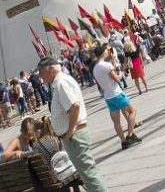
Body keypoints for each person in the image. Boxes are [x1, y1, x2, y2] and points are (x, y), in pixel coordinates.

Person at [37, 56, 108, 192]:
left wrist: (70, 131)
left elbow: (74, 106)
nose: (40, 76)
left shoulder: (60, 83)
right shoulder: (60, 82)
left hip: (74, 136)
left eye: (41, 72)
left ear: (50, 69)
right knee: (86, 174)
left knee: (89, 174)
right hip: (74, 135)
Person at [92, 44, 141, 150]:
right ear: (102, 53)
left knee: (116, 122)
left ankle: (123, 142)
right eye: (106, 51)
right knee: (133, 111)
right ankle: (130, 135)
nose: (107, 52)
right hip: (116, 94)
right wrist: (122, 72)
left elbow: (108, 73)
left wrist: (113, 59)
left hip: (108, 96)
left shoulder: (95, 68)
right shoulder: (106, 66)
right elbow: (117, 79)